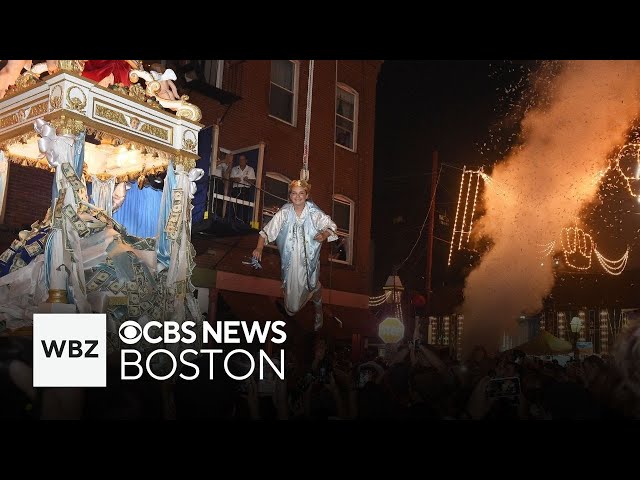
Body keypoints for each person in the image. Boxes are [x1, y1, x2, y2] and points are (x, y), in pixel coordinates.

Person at [252, 179, 337, 331]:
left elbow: (331, 226)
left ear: (307, 195)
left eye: (301, 193)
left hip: (309, 260)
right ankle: (310, 295)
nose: (297, 197)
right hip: (290, 261)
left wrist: (324, 234)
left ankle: (318, 306)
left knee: (312, 284)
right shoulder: (284, 213)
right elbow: (266, 232)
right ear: (290, 195)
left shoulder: (313, 213)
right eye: (294, 193)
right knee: (292, 308)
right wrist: (259, 248)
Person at [229, 154, 256, 223]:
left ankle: (243, 222)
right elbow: (230, 179)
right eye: (240, 159)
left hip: (245, 190)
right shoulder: (234, 169)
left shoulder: (250, 169)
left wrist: (247, 180)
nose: (241, 161)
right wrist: (235, 180)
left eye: (243, 159)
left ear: (246, 161)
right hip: (236, 190)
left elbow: (253, 181)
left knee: (244, 207)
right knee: (235, 206)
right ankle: (234, 221)